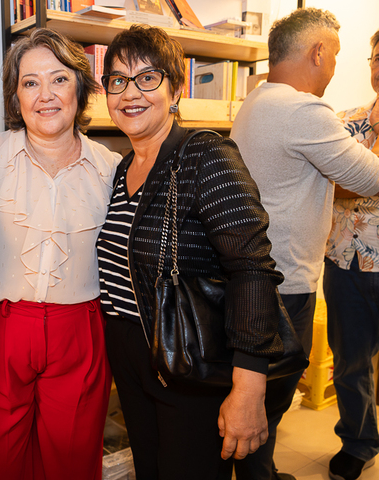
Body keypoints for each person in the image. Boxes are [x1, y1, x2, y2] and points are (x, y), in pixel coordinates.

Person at [95, 24, 286, 480]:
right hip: (135, 362)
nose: (130, 92)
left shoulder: (205, 156)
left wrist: (248, 385)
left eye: (148, 77)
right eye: (117, 80)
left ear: (176, 89)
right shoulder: (123, 167)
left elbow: (252, 268)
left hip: (189, 361)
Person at [0, 28, 121, 480]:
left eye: (59, 79)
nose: (45, 95)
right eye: (31, 82)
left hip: (81, 332)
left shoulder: (111, 168)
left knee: (72, 465)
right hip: (3, 333)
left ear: (81, 87)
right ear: (16, 96)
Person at [231, 9, 379, 480]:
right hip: (285, 279)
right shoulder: (305, 111)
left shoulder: (257, 101)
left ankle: (263, 472)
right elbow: (369, 176)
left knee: (261, 394)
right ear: (318, 52)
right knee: (268, 397)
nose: (335, 67)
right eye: (334, 54)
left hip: (257, 273)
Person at [323, 29, 379, 480]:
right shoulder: (344, 121)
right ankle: (359, 441)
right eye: (377, 55)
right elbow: (326, 181)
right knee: (349, 361)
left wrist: (348, 179)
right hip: (345, 261)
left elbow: (343, 181)